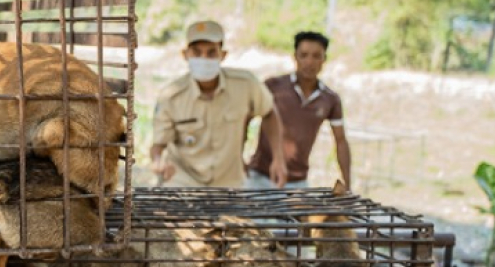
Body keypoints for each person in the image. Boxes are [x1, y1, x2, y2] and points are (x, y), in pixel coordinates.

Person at [151, 20, 287, 188]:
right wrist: (158, 161)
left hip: (229, 183)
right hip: (183, 182)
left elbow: (269, 113)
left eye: (211, 52)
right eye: (197, 52)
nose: (204, 59)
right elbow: (158, 145)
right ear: (185, 54)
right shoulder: (171, 95)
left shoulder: (245, 84)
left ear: (222, 55)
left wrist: (278, 159)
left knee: (237, 215)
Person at [247, 31, 352, 190]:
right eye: (304, 55)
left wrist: (348, 184)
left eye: (316, 56)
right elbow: (244, 119)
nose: (309, 62)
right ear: (295, 57)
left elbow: (341, 141)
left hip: (297, 183)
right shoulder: (273, 86)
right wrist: (237, 161)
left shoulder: (330, 99)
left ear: (324, 60)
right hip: (260, 177)